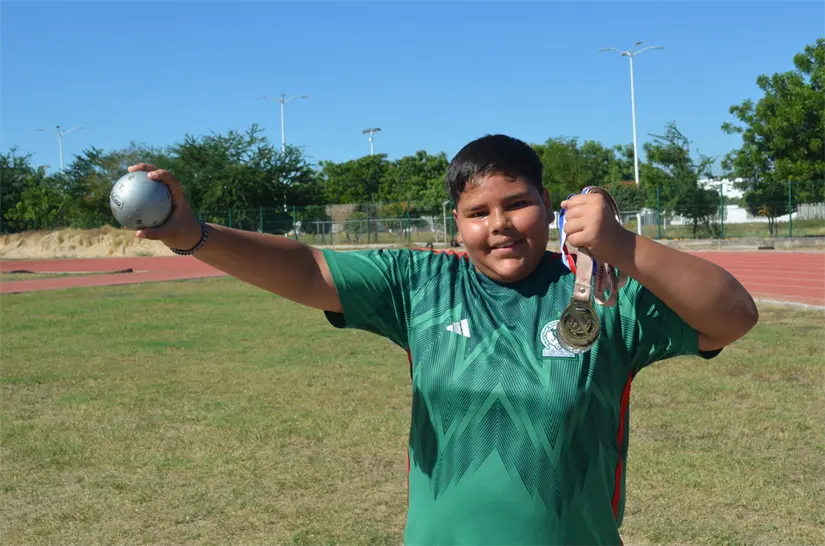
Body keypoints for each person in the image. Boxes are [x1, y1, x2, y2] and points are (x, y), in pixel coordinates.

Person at [128, 134, 758, 545]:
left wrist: (622, 244)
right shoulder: (419, 283)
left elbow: (732, 316)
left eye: (518, 204)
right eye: (478, 213)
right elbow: (305, 268)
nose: (501, 225)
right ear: (456, 222)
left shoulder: (602, 292)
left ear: (550, 205)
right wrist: (191, 234)